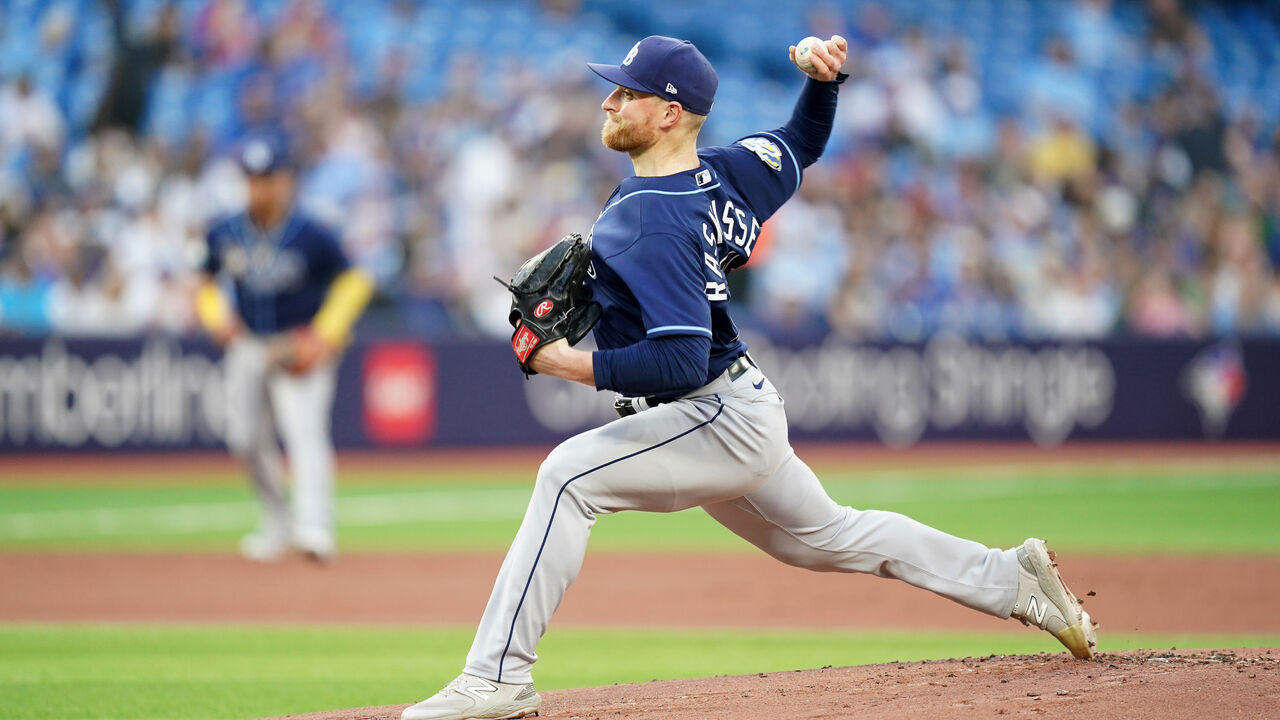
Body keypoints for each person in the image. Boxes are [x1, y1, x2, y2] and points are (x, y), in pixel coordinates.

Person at [402, 35, 1098, 720]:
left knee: (566, 478)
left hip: (713, 414)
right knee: (833, 535)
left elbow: (677, 357)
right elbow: (802, 143)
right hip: (734, 407)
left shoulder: (654, 219)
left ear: (670, 113)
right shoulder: (727, 173)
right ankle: (1010, 577)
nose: (609, 100)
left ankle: (496, 677)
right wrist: (822, 83)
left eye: (627, 92)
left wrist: (563, 363)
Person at [194, 133, 374, 562]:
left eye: (269, 178)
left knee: (303, 433)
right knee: (243, 438)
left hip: (299, 343)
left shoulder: (311, 232)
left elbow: (356, 281)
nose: (261, 187)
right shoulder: (226, 230)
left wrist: (326, 335)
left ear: (287, 181)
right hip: (250, 343)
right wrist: (218, 319)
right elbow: (203, 281)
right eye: (254, 179)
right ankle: (277, 522)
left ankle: (314, 528)